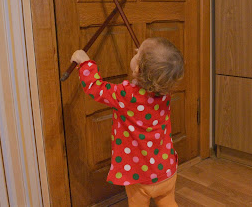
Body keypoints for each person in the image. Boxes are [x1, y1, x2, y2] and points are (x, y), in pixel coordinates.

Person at [71, 37, 184, 207]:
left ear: (138, 69)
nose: (136, 50)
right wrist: (148, 59)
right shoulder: (165, 94)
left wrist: (85, 62)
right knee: (168, 202)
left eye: (138, 53)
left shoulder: (126, 95)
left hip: (140, 177)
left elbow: (96, 88)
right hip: (166, 170)